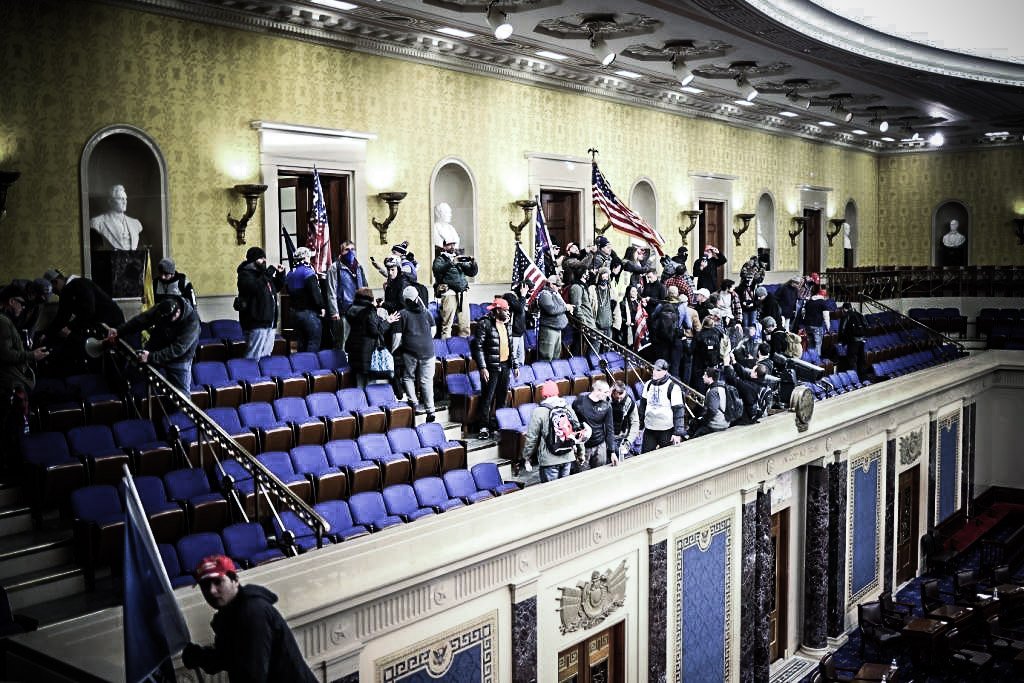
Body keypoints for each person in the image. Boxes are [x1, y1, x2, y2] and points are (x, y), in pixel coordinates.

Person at [181, 555, 317, 683]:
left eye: (218, 582)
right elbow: (229, 657)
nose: (212, 591)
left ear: (235, 580)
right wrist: (200, 657)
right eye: (205, 585)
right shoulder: (228, 614)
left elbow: (252, 675)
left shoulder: (252, 612)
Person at [106, 295, 200, 393]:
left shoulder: (192, 321)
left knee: (181, 395)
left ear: (178, 312)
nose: (166, 322)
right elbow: (141, 320)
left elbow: (178, 349)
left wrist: (151, 357)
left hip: (179, 358)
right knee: (130, 375)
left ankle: (175, 408)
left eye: (169, 320)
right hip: (157, 346)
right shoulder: (161, 309)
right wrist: (119, 331)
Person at [0, 285, 48, 461]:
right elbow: (4, 354)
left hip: (13, 380)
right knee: (14, 427)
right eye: (20, 303)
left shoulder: (7, 320)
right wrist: (32, 355)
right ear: (11, 302)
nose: (23, 307)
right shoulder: (3, 322)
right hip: (10, 383)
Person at [471, 297, 518, 440]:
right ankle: (483, 427)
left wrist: (515, 364)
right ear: (497, 310)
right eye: (506, 310)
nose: (508, 313)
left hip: (505, 366)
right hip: (490, 367)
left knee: (502, 397)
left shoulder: (507, 324)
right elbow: (477, 347)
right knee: (488, 397)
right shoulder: (484, 324)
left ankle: (498, 424)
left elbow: (510, 347)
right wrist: (482, 367)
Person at [522, 380, 585, 482]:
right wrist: (581, 453)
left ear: (544, 395)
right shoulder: (567, 407)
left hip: (549, 460)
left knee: (551, 491)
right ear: (557, 392)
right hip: (568, 456)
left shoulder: (539, 411)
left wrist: (527, 457)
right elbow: (578, 430)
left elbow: (532, 438)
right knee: (565, 489)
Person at [392, 285, 436, 422]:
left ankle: (414, 403)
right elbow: (433, 330)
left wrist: (392, 350)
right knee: (426, 381)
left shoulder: (402, 314)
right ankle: (430, 410)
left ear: (404, 300)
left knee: (408, 377)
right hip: (428, 351)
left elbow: (397, 337)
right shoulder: (426, 312)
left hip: (410, 351)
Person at [235, 247, 285, 360]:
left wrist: (281, 275)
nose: (265, 261)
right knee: (253, 356)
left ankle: (261, 378)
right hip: (256, 322)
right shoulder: (245, 275)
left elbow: (275, 287)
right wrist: (267, 275)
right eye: (261, 258)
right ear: (253, 260)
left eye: (265, 258)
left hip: (269, 322)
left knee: (265, 356)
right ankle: (249, 376)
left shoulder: (262, 275)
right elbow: (255, 288)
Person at [344, 287, 390, 388]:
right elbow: (374, 331)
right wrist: (387, 322)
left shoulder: (350, 309)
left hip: (353, 349)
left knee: (359, 381)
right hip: (367, 351)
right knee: (369, 383)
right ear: (370, 298)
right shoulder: (369, 311)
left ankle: (360, 401)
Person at [326, 240, 367, 351]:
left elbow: (365, 287)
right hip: (343, 311)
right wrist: (334, 312)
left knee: (358, 340)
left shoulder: (358, 267)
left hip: (359, 310)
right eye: (347, 250)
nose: (350, 252)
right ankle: (341, 367)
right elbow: (331, 291)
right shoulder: (335, 267)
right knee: (342, 342)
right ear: (341, 252)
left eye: (352, 249)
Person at [432, 239, 477, 338]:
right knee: (447, 325)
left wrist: (473, 263)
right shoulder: (440, 259)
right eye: (449, 245)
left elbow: (471, 273)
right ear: (444, 246)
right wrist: (452, 262)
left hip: (462, 293)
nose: (452, 247)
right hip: (449, 294)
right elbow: (437, 269)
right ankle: (445, 349)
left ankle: (464, 349)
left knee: (465, 325)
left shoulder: (458, 258)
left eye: (453, 244)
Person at [638, 359, 686, 452]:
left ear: (665, 371)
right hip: (649, 428)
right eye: (654, 369)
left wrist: (677, 433)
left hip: (666, 430)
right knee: (645, 457)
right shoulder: (648, 385)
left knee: (667, 457)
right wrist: (640, 426)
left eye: (658, 370)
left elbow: (678, 411)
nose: (655, 372)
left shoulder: (673, 387)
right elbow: (642, 407)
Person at [284, 247, 325, 353]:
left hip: (294, 313)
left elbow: (288, 290)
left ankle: (301, 366)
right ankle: (310, 367)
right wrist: (321, 306)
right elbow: (314, 292)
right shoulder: (308, 272)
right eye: (308, 256)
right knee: (313, 341)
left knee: (301, 342)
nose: (310, 259)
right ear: (305, 258)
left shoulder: (290, 274)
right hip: (308, 313)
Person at [572, 379, 616, 471]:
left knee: (601, 474)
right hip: (584, 447)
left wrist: (612, 451)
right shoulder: (579, 402)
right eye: (606, 392)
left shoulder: (607, 406)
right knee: (582, 477)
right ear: (597, 391)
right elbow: (572, 423)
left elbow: (610, 429)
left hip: (600, 446)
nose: (608, 394)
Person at [89, 184, 143, 251]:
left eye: (125, 198)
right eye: (120, 199)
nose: (124, 202)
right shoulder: (97, 222)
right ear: (110, 201)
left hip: (133, 259)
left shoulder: (135, 223)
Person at [689, 366, 730, 438]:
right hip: (725, 421)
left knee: (695, 430)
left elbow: (712, 411)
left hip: (717, 424)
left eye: (705, 375)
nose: (702, 377)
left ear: (710, 378)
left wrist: (703, 421)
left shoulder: (713, 392)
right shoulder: (721, 387)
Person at [536, 277, 569, 361]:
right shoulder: (545, 294)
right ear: (551, 284)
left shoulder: (555, 294)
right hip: (549, 330)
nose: (559, 288)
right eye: (557, 286)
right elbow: (552, 309)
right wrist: (565, 307)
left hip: (557, 329)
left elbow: (558, 307)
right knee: (546, 357)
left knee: (556, 356)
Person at [503, 281, 531, 368]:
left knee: (521, 359)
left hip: (520, 333)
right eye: (527, 290)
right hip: (513, 333)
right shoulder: (509, 296)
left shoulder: (521, 298)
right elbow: (519, 308)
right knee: (513, 359)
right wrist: (523, 296)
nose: (528, 293)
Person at [609, 380, 639, 459]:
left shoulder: (630, 403)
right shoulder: (605, 399)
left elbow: (635, 423)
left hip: (622, 437)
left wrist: (628, 441)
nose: (619, 399)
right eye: (616, 396)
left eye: (621, 395)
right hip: (607, 439)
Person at [837, 301, 867, 374]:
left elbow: (842, 329)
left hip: (853, 341)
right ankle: (862, 378)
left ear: (844, 309)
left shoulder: (846, 316)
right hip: (862, 340)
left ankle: (854, 377)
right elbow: (866, 324)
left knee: (852, 360)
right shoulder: (859, 314)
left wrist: (841, 341)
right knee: (861, 359)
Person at [801, 284, 830, 356]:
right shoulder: (823, 302)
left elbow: (803, 313)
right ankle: (816, 362)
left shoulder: (809, 302)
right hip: (817, 325)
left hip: (807, 325)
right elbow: (826, 316)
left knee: (810, 345)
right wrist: (828, 327)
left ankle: (810, 361)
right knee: (817, 344)